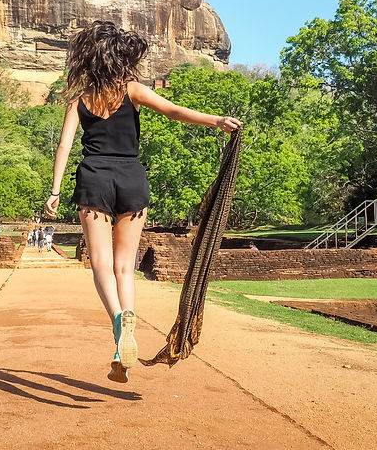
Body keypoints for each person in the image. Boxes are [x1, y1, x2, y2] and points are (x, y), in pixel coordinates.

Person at [44, 20, 241, 383]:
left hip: (94, 179)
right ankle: (126, 329)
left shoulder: (79, 101)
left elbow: (64, 147)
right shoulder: (132, 90)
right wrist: (216, 121)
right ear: (120, 60)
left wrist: (55, 192)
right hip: (132, 179)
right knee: (125, 266)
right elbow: (173, 110)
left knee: (100, 264)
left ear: (90, 61)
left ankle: (120, 325)